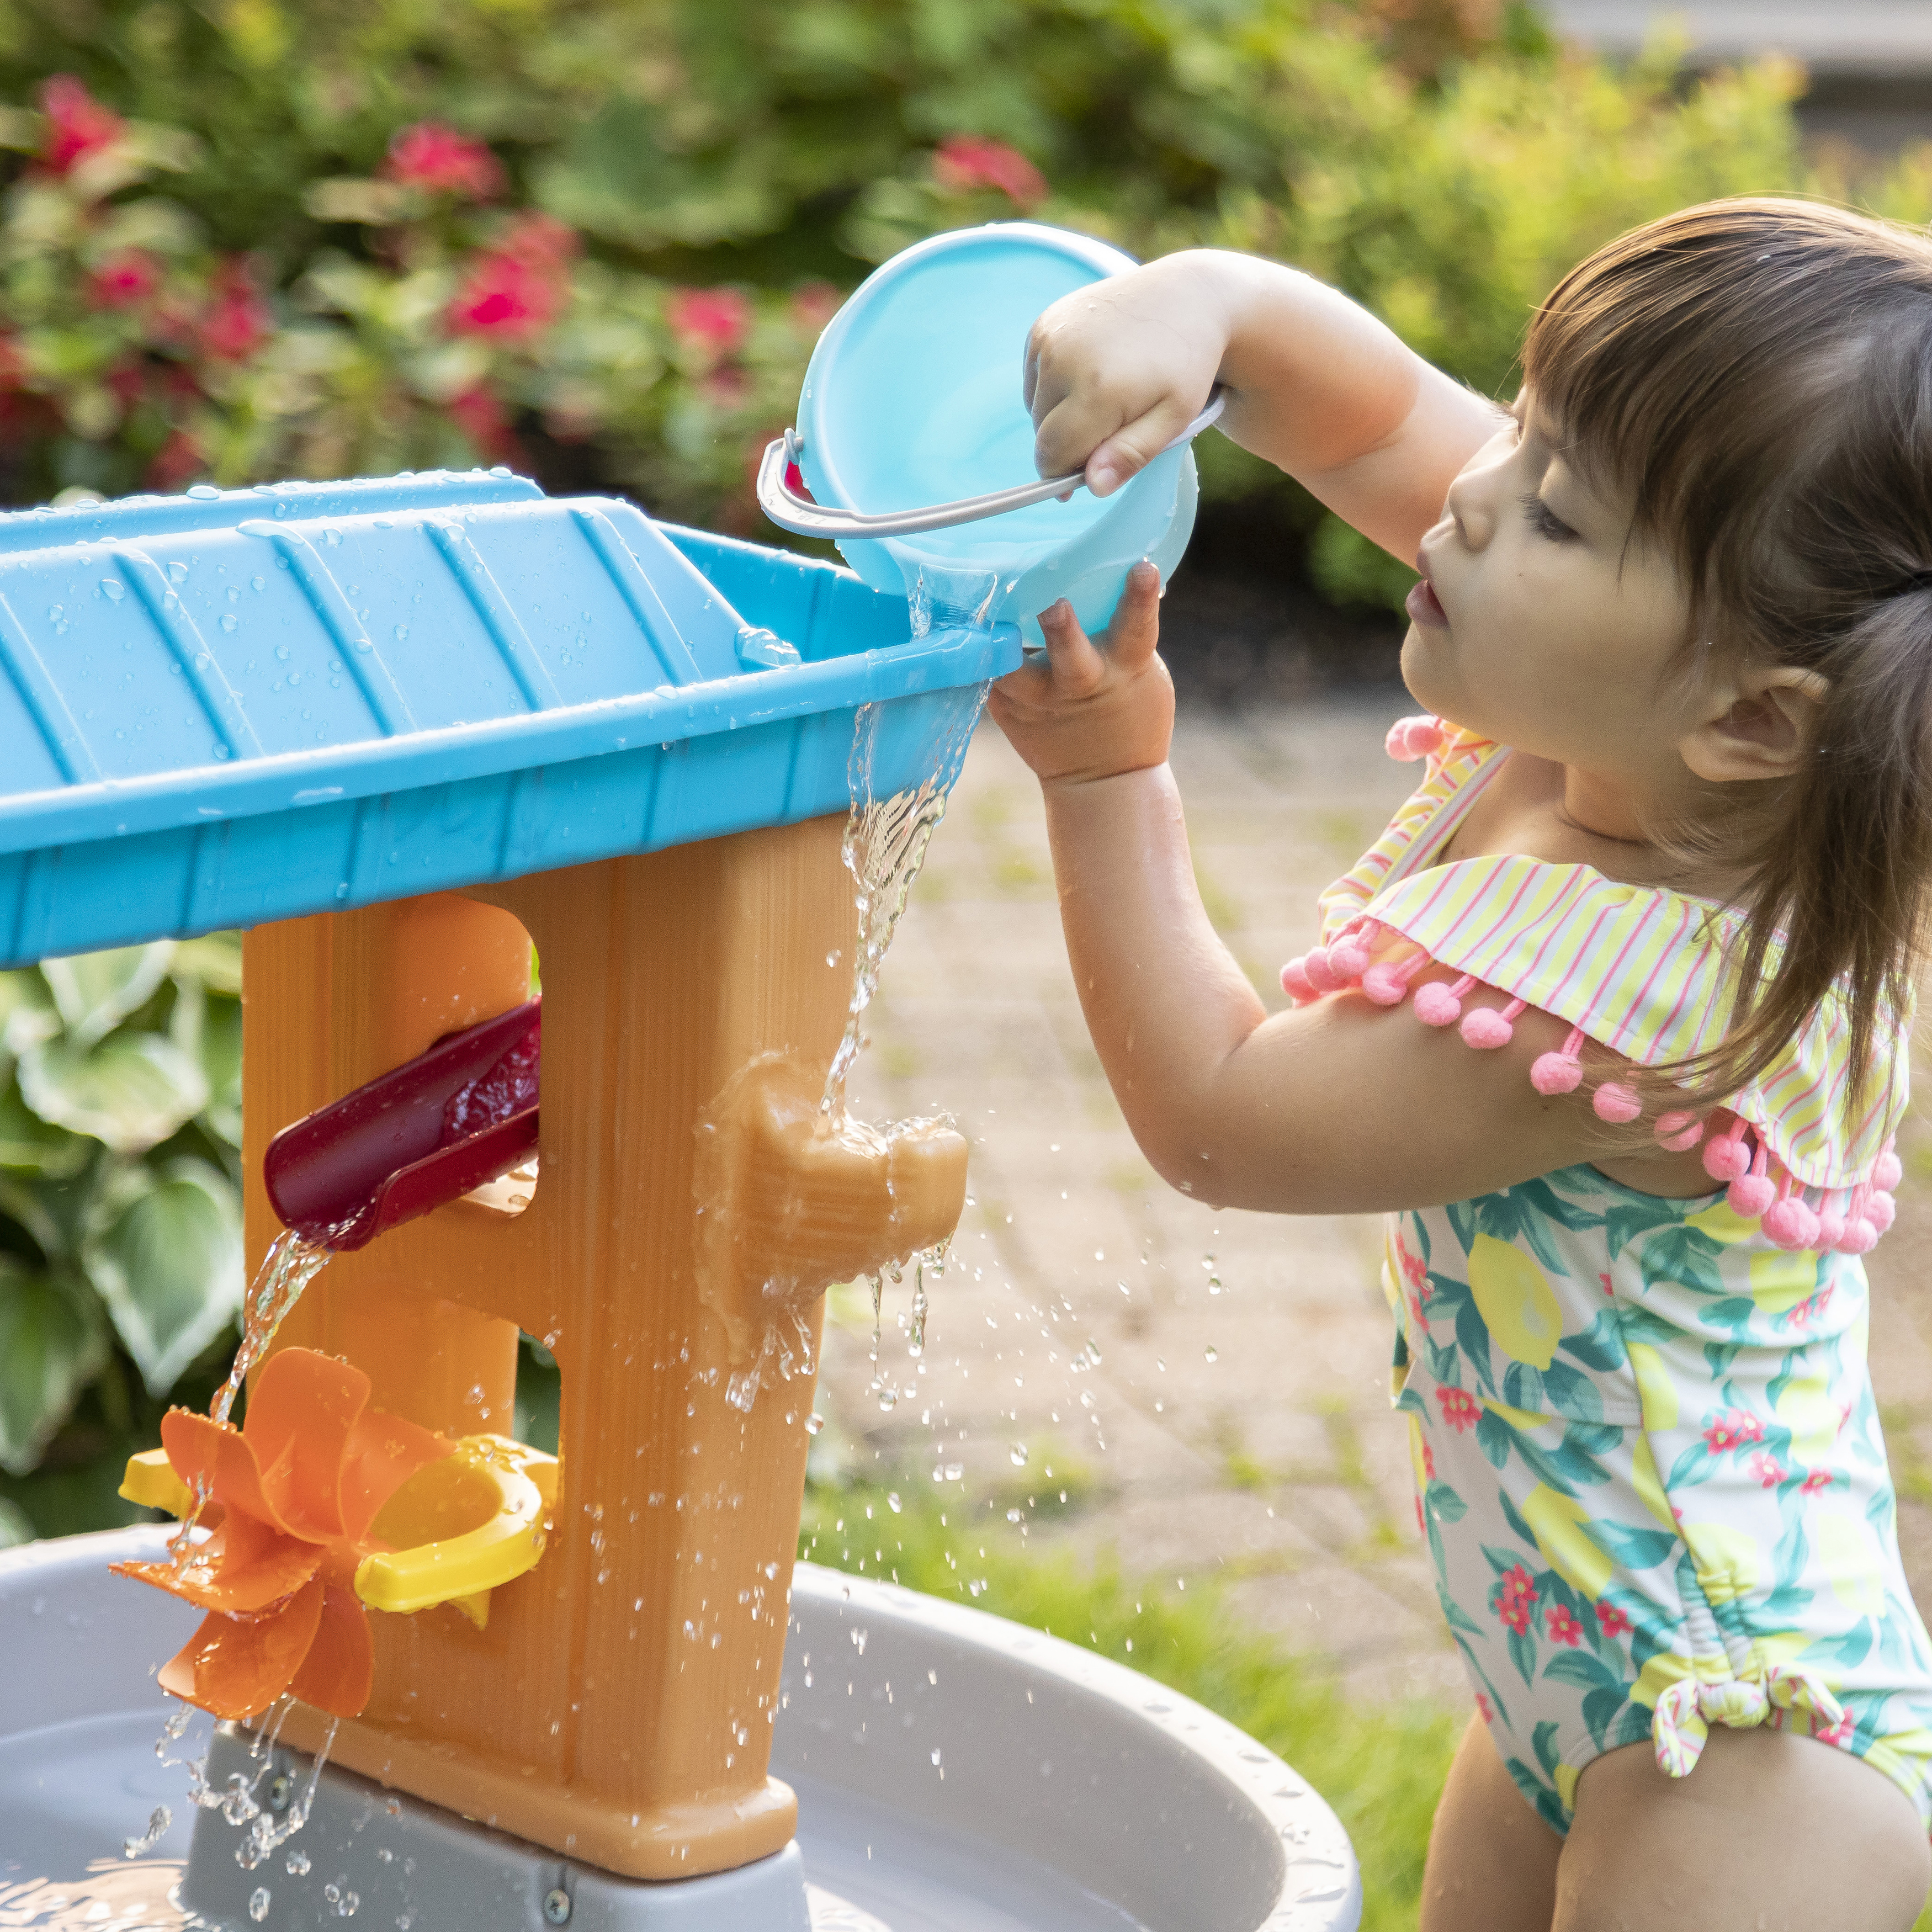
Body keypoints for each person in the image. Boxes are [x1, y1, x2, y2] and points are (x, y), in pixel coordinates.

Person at [990, 198, 1932, 1931]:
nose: (1476, 489)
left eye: (1558, 504)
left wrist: (1105, 783)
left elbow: (1220, 1113)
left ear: (1751, 717)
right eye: (1520, 416)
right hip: (1569, 1679)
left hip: (1734, 1767)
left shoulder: (1645, 983)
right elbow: (1348, 417)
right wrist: (1203, 306)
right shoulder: (1632, 708)